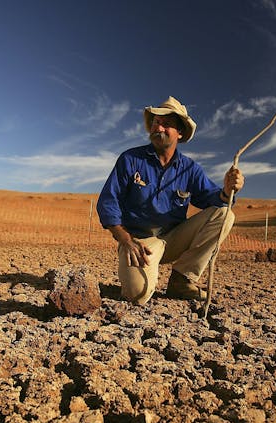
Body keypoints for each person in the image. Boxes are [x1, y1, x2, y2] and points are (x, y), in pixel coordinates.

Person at [97, 96, 244, 305]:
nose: (159, 128)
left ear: (180, 133)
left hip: (174, 238)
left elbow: (213, 199)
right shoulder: (130, 159)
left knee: (224, 214)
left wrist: (228, 190)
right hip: (140, 242)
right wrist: (125, 240)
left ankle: (182, 280)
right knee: (136, 296)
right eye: (156, 122)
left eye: (167, 124)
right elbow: (108, 201)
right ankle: (145, 272)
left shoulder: (189, 169)